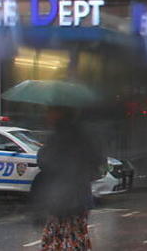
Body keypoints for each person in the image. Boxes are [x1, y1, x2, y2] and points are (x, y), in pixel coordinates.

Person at [33, 106, 104, 251]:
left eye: (49, 111)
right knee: (76, 236)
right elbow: (97, 161)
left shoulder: (60, 136)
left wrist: (44, 149)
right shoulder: (83, 134)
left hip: (64, 200)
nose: (46, 115)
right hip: (79, 197)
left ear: (59, 113)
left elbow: (45, 162)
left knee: (59, 239)